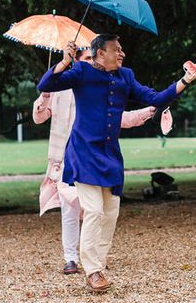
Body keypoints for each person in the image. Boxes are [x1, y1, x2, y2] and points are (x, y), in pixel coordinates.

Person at [38, 35, 196, 293]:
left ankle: (99, 263)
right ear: (98, 53)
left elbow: (157, 98)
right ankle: (92, 270)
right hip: (83, 152)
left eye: (121, 49)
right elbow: (46, 83)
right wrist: (64, 62)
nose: (122, 54)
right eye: (116, 50)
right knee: (93, 210)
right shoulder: (81, 71)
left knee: (110, 213)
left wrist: (186, 80)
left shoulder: (125, 76)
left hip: (110, 156)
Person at [32, 47, 155, 276]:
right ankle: (71, 258)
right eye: (87, 58)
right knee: (70, 210)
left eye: (93, 57)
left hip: (91, 157)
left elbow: (122, 119)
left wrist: (150, 110)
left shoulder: (99, 89)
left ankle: (94, 259)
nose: (92, 62)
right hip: (64, 157)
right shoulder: (61, 87)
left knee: (95, 210)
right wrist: (47, 91)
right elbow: (38, 117)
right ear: (77, 61)